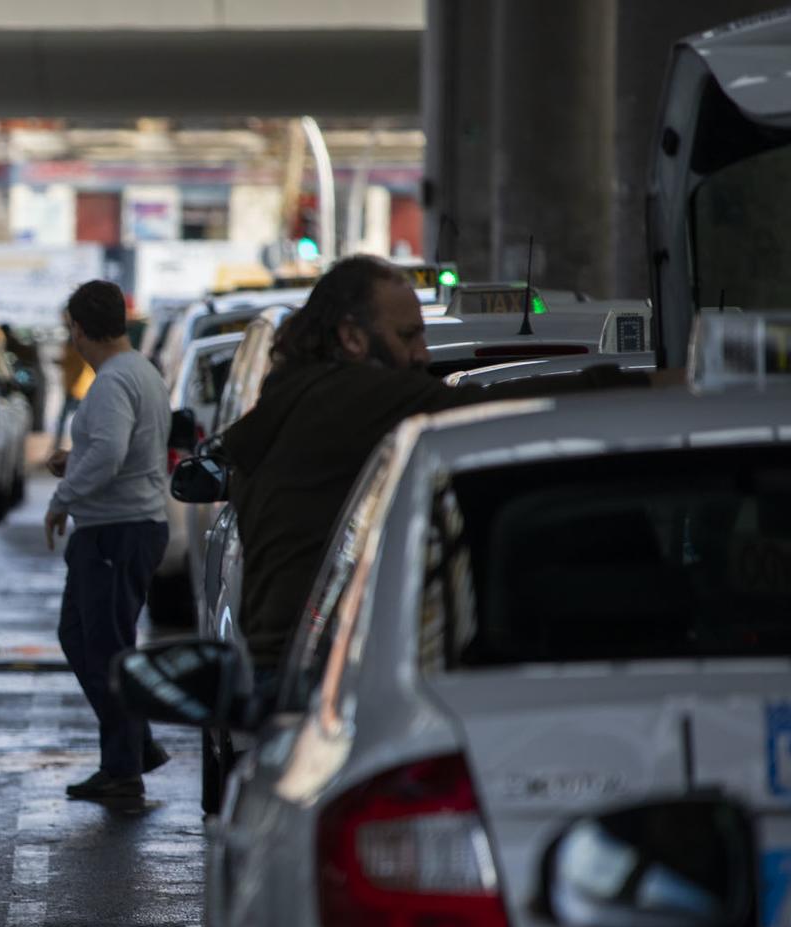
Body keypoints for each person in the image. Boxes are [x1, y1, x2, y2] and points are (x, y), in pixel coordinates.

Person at [223, 256, 659, 692]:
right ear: (352, 338)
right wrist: (651, 389)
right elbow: (493, 412)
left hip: (284, 670)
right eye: (408, 336)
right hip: (316, 679)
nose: (422, 354)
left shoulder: (291, 402)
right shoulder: (351, 399)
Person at [46, 280, 172, 807]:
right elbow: (110, 451)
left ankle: (124, 767)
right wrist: (74, 464)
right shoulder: (139, 371)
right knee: (83, 638)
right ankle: (134, 749)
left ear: (79, 327)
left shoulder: (114, 381)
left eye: (70, 327)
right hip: (121, 528)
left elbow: (111, 452)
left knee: (104, 650)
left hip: (115, 533)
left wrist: (63, 496)